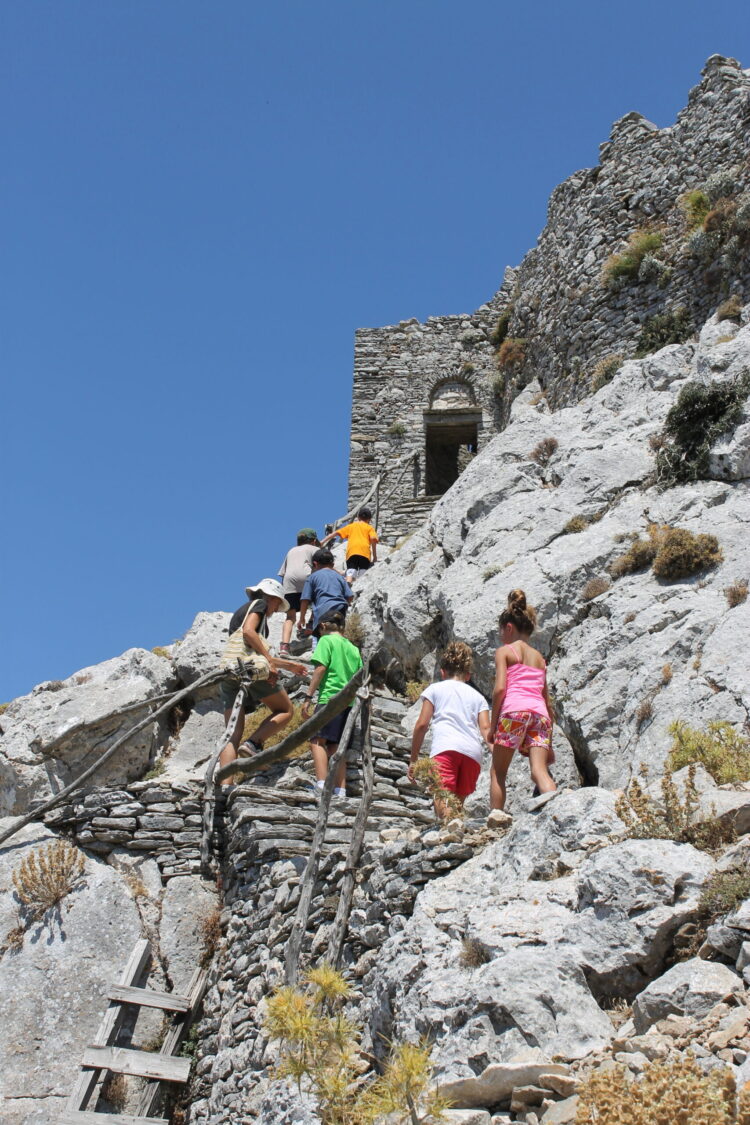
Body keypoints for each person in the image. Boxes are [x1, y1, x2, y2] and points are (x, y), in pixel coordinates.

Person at [218, 579, 308, 783]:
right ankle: (253, 743)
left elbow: (249, 649)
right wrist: (270, 662)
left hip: (230, 672)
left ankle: (224, 786)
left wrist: (288, 665)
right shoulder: (259, 604)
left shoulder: (242, 611)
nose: (275, 610)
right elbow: (249, 632)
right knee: (285, 710)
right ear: (271, 598)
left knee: (232, 733)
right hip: (250, 671)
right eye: (277, 604)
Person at [488, 589, 556, 811]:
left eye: (501, 631)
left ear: (509, 627)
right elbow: (546, 701)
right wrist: (550, 740)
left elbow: (500, 689)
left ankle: (496, 819)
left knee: (498, 772)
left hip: (514, 711)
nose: (501, 636)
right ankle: (557, 809)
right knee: (539, 771)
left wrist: (493, 726)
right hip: (540, 716)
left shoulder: (505, 651)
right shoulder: (540, 659)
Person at [407, 642, 490, 820]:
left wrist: (414, 759)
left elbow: (422, 725)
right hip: (472, 755)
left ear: (442, 672)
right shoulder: (479, 698)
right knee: (456, 805)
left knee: (443, 799)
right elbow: (485, 729)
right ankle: (454, 830)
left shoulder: (435, 689)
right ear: (468, 675)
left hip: (445, 749)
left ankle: (449, 828)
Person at [301, 612, 363, 797]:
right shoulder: (353, 648)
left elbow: (321, 668)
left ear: (322, 626)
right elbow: (360, 677)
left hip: (329, 698)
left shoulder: (326, 641)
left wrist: (308, 696)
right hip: (348, 702)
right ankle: (340, 790)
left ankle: (321, 785)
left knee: (317, 740)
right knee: (336, 746)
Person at [298, 548, 353, 646]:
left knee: (322, 640)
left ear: (315, 564)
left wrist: (302, 618)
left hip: (323, 613)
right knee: (337, 636)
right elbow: (350, 596)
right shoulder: (340, 577)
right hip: (340, 611)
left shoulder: (312, 577)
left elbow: (305, 600)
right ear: (333, 564)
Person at [278, 528, 319, 655]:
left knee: (290, 617)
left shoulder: (291, 550)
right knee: (317, 601)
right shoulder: (314, 549)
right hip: (306, 578)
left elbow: (283, 573)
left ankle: (284, 646)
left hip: (289, 583)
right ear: (313, 541)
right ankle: (310, 625)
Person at [321, 507, 378, 583]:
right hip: (364, 552)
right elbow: (373, 538)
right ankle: (362, 586)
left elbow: (336, 533)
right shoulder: (370, 528)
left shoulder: (351, 526)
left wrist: (322, 542)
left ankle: (348, 583)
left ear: (358, 517)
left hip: (352, 551)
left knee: (351, 571)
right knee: (363, 572)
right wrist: (375, 557)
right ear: (369, 519)